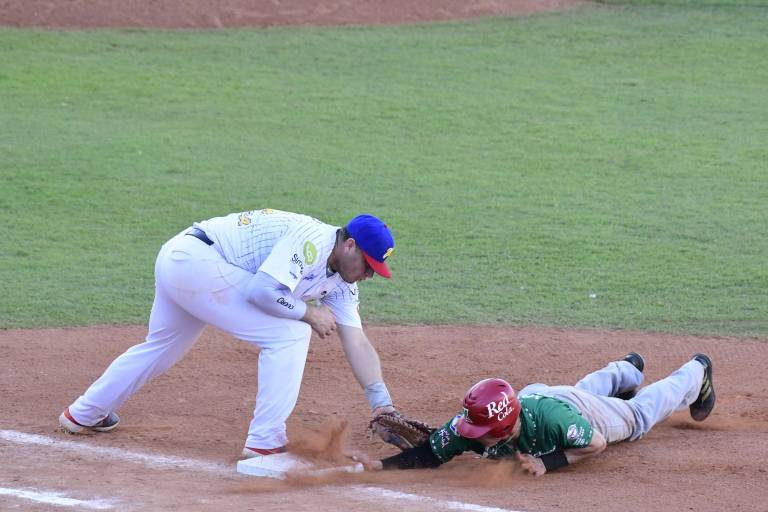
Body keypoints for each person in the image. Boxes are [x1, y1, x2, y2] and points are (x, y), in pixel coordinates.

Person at [59, 208, 399, 458]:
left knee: (163, 346)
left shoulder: (342, 283)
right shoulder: (312, 241)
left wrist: (382, 405)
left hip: (186, 261)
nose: (370, 274)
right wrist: (309, 313)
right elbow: (262, 292)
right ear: (349, 245)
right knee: (291, 333)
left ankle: (85, 413)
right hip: (197, 261)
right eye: (369, 265)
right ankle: (265, 441)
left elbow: (356, 340)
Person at [360, 352, 715, 476]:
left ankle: (696, 371)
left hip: (570, 411)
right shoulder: (471, 422)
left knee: (637, 417)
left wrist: (551, 462)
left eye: (476, 431)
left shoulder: (557, 422)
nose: (468, 434)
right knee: (570, 392)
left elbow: (595, 443)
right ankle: (626, 370)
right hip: (539, 398)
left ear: (501, 429)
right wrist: (377, 466)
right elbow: (431, 454)